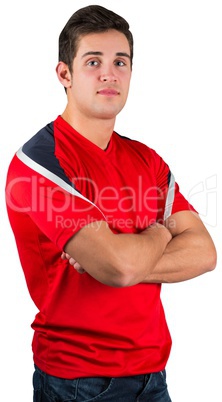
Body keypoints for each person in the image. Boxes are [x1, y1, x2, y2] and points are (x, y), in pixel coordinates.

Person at [5, 4, 217, 402]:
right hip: (78, 382)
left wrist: (125, 255)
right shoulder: (38, 164)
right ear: (64, 74)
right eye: (93, 61)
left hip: (153, 375)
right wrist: (157, 233)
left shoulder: (147, 160)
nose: (109, 73)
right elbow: (119, 268)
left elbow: (204, 253)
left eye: (120, 61)